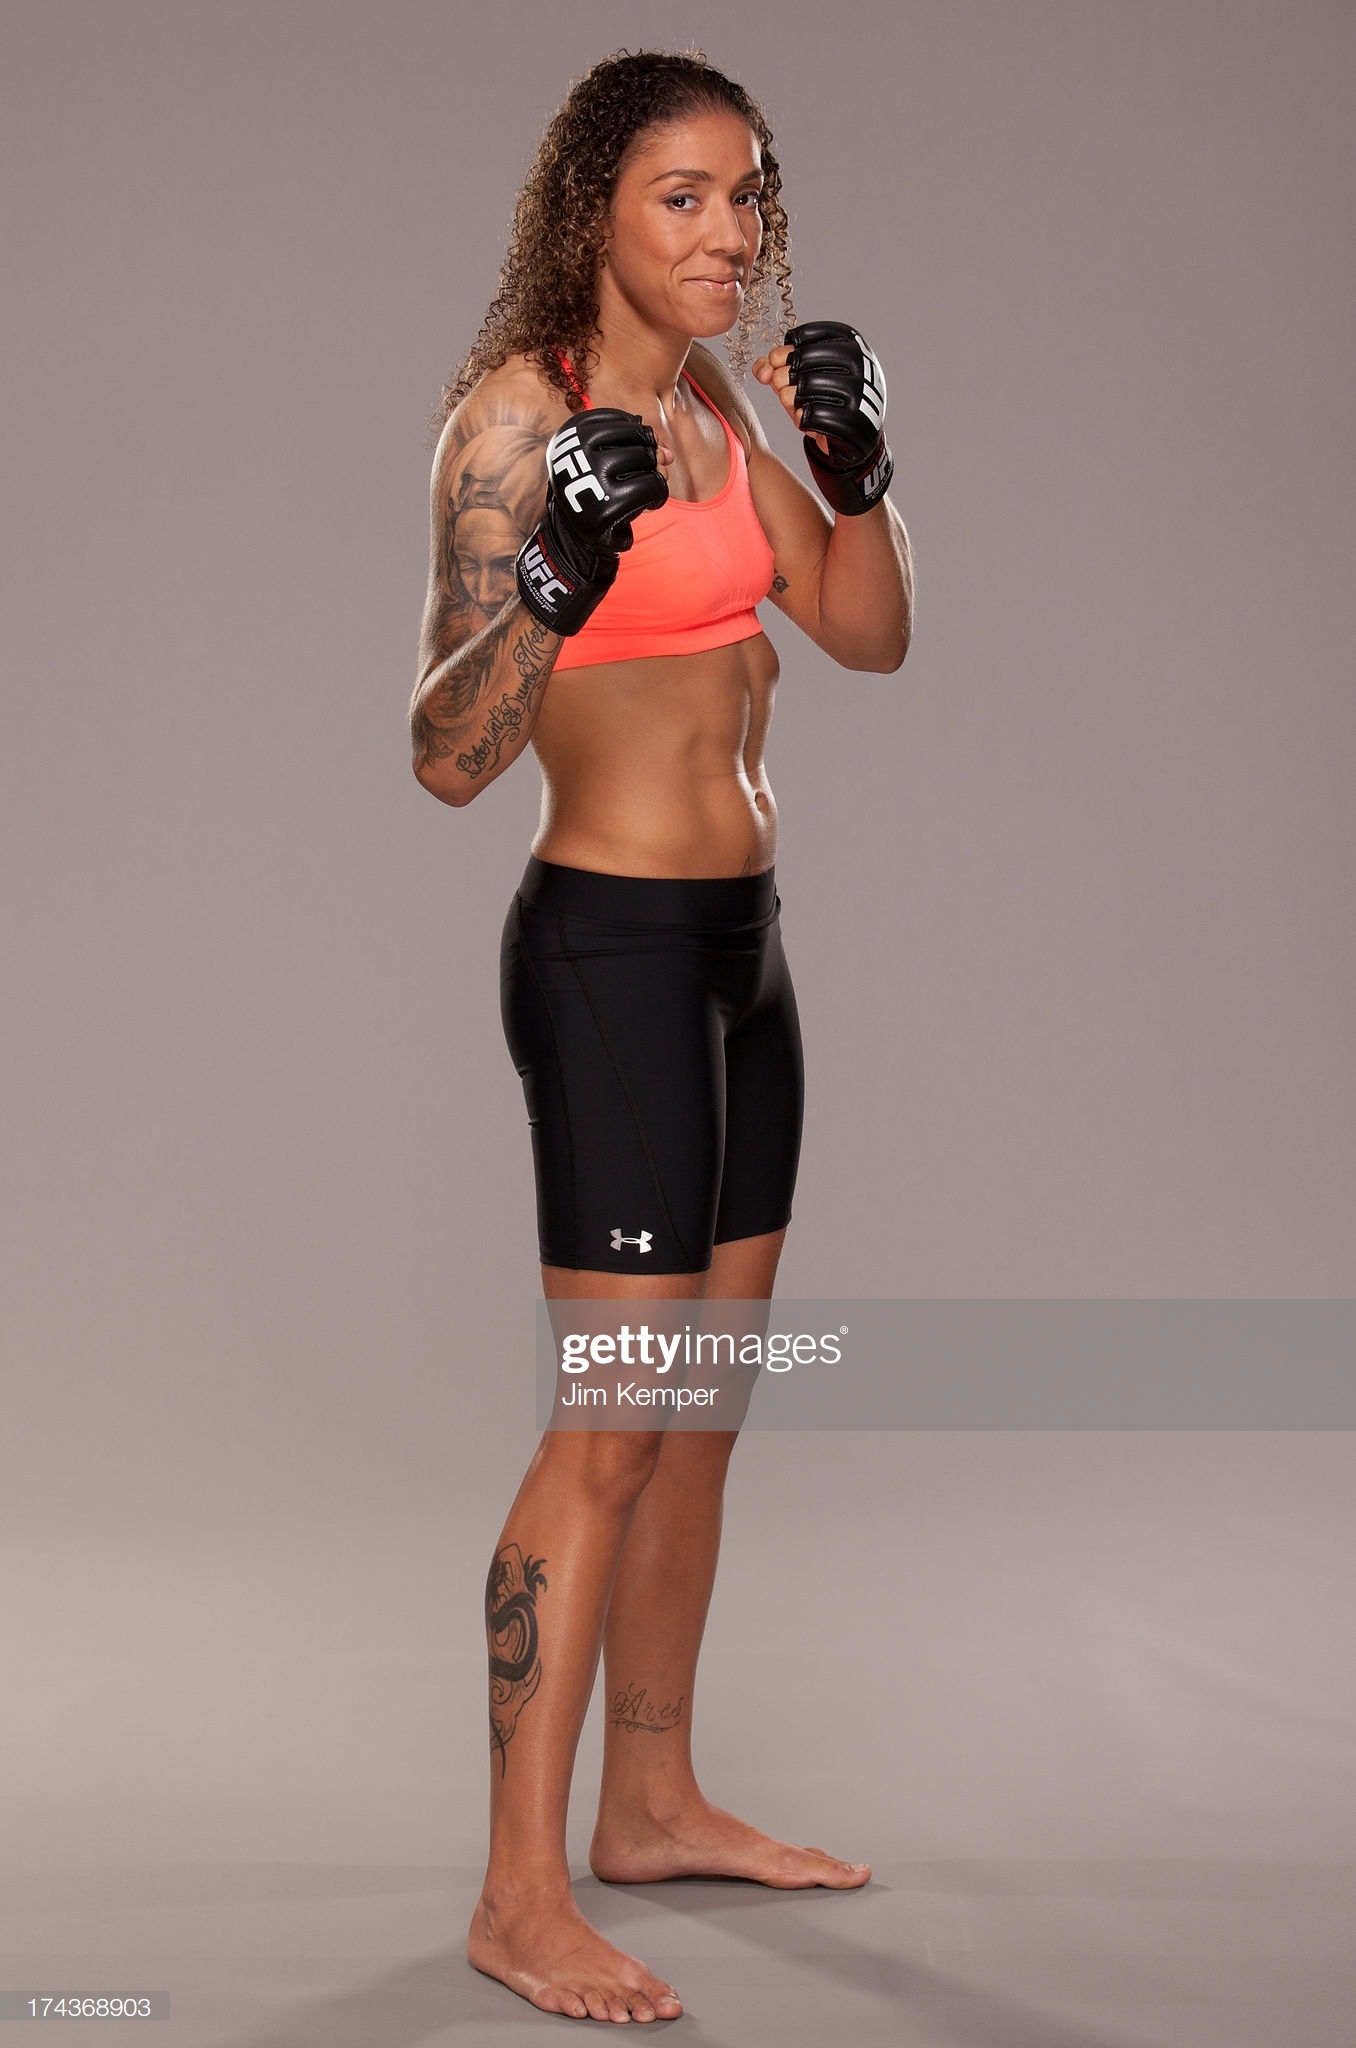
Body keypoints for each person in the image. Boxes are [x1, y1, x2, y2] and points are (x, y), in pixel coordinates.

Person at [409, 48, 913, 2025]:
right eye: (683, 196)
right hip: (610, 954)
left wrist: (867, 482)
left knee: (701, 1417)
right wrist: (549, 580)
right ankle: (515, 1895)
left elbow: (865, 630)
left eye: (748, 194)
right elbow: (446, 752)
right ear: (594, 212)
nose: (729, 232)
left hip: (742, 955)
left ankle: (653, 1801)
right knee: (611, 1427)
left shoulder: (712, 407)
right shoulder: (512, 423)